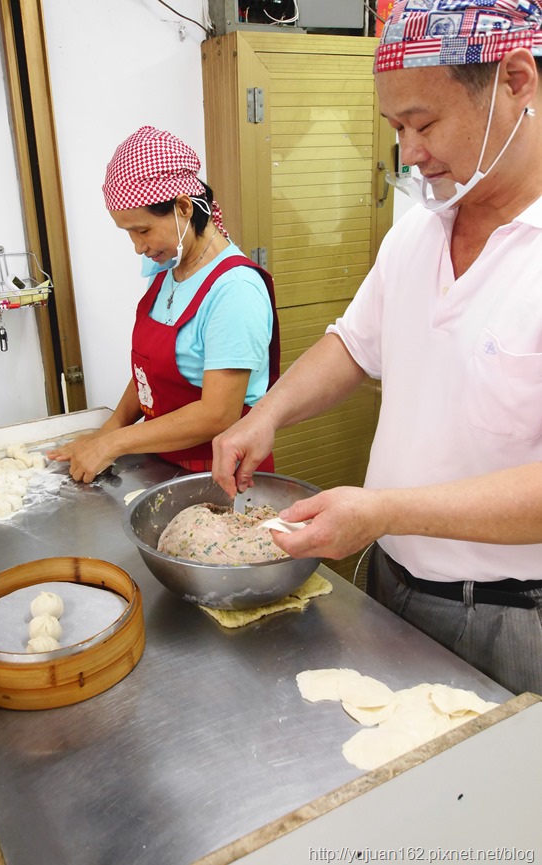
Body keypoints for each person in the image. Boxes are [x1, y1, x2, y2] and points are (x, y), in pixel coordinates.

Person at [212, 0, 542, 697]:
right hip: (392, 583)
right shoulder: (419, 231)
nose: (411, 153)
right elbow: (354, 347)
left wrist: (384, 509)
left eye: (424, 123)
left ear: (516, 81)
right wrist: (264, 415)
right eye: (397, 128)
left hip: (512, 619)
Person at [48, 126, 280, 483]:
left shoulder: (234, 290)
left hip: (221, 476)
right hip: (165, 467)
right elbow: (151, 373)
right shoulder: (169, 267)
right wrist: (108, 430)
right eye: (128, 232)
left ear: (183, 208)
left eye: (142, 230)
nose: (137, 247)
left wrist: (114, 444)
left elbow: (218, 414)